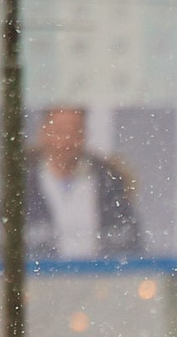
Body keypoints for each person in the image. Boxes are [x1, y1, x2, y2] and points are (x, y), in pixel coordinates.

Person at [26, 106, 145, 260]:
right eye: (60, 131)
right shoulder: (21, 187)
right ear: (43, 134)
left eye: (75, 131)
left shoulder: (108, 184)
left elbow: (130, 243)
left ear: (85, 135)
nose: (67, 141)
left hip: (101, 280)